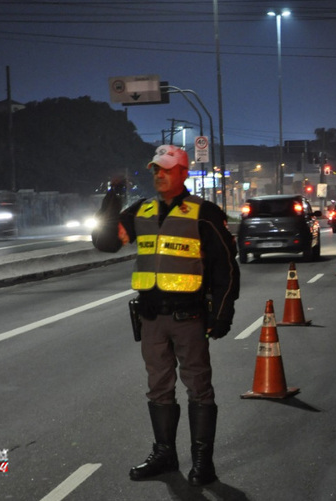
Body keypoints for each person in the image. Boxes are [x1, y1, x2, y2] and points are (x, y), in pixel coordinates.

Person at [92, 144, 240, 485]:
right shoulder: (140, 211)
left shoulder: (205, 212)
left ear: (183, 172)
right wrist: (112, 198)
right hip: (151, 317)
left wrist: (221, 313)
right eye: (156, 169)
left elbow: (225, 269)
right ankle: (164, 454)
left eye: (167, 169)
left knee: (198, 388)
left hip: (189, 317)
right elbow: (105, 241)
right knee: (158, 388)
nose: (159, 174)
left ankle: (203, 461)